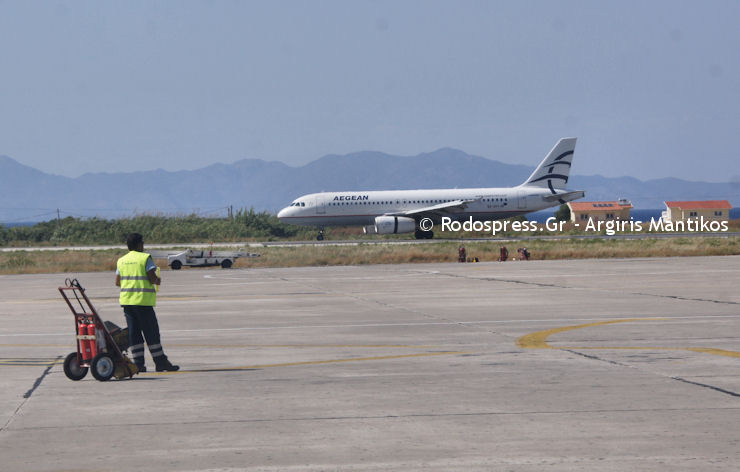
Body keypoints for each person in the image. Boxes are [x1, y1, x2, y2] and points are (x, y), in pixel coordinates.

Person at [115, 233, 179, 373]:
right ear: (139, 245)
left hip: (127, 303)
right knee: (151, 333)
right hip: (143, 302)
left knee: (134, 334)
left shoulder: (121, 260)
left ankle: (138, 364)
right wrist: (157, 280)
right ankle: (160, 362)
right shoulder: (145, 258)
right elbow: (151, 277)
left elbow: (117, 282)